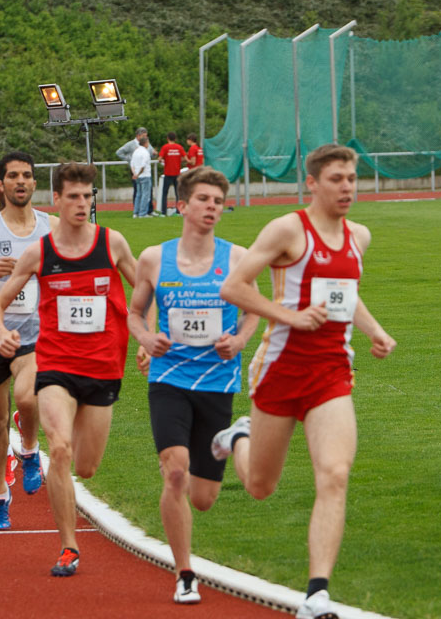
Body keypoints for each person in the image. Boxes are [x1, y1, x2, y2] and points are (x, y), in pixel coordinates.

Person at [212, 144, 397, 619]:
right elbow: (233, 287)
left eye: (352, 178)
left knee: (334, 475)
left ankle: (317, 594)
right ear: (312, 183)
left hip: (332, 371)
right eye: (337, 179)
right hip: (280, 368)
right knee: (259, 485)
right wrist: (290, 317)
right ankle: (238, 437)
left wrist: (374, 330)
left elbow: (345, 296)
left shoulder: (359, 236)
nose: (347, 187)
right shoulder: (288, 230)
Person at [0, 162, 138, 576]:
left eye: (88, 197)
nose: (82, 204)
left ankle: (55, 441)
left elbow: (144, 290)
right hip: (54, 364)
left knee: (86, 466)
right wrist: (1, 332)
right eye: (73, 196)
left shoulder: (113, 243)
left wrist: (148, 338)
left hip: (103, 366)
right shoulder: (42, 252)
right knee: (60, 450)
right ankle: (69, 547)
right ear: (56, 199)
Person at [128, 166, 260, 604]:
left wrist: (239, 338)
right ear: (181, 205)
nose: (212, 208)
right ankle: (185, 573)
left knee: (203, 498)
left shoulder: (237, 258)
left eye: (218, 202)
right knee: (176, 471)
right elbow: (134, 312)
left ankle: (234, 434)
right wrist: (147, 338)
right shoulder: (153, 258)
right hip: (169, 377)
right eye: (203, 200)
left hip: (217, 379)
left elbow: (255, 308)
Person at [0, 151, 57, 530]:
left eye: (27, 175)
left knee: (27, 395)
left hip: (35, 336)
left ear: (35, 183)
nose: (21, 181)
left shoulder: (50, 228)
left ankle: (31, 450)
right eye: (13, 176)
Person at [116, 127, 156, 215]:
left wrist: (153, 154)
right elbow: (119, 152)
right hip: (137, 171)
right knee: (139, 192)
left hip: (142, 171)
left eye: (146, 136)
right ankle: (140, 212)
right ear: (138, 136)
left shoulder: (146, 146)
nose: (145, 138)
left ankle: (148, 210)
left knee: (147, 192)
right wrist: (129, 159)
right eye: (143, 136)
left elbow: (151, 153)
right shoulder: (131, 145)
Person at [158, 132, 186, 215]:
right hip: (177, 173)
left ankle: (163, 212)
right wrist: (177, 160)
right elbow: (185, 158)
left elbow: (159, 158)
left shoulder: (165, 147)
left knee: (164, 193)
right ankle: (178, 211)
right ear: (175, 139)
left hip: (168, 173)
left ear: (167, 138)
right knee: (178, 193)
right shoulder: (179, 147)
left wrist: (165, 160)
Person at [130, 135, 152, 218]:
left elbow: (132, 164)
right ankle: (142, 213)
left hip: (137, 176)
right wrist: (138, 174)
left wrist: (134, 174)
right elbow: (143, 165)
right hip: (145, 175)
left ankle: (136, 212)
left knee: (138, 194)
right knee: (145, 195)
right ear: (145, 143)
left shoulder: (136, 151)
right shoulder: (145, 152)